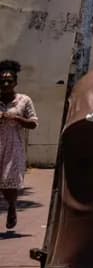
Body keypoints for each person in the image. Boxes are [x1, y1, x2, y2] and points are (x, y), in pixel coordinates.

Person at [0, 60, 38, 230]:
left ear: (15, 82)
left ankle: (12, 206)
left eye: (9, 81)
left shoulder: (24, 100)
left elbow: (33, 123)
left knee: (9, 182)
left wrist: (16, 118)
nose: (6, 84)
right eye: (2, 81)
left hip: (13, 147)